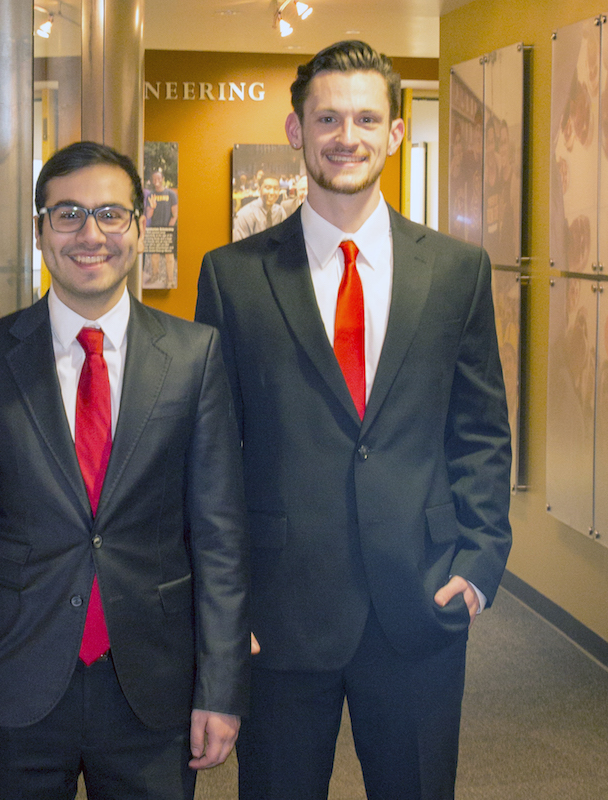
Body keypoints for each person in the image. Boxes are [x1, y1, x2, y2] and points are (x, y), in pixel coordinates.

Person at [196, 41, 512, 800]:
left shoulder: (457, 271)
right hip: (279, 615)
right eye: (328, 117)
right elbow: (212, 455)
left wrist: (479, 562)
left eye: (367, 118)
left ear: (396, 134)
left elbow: (480, 429)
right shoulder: (233, 276)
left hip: (420, 603)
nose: (348, 135)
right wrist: (222, 605)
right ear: (297, 130)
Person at [0, 141, 248, 800]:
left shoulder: (194, 356)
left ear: (139, 222)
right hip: (15, 684)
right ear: (39, 228)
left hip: (152, 690)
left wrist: (221, 688)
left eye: (109, 213)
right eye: (67, 214)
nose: (89, 234)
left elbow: (219, 539)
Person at [231, 176, 284, 242]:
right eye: (268, 188)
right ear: (259, 190)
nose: (272, 192)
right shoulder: (245, 215)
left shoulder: (280, 211)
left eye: (276, 188)